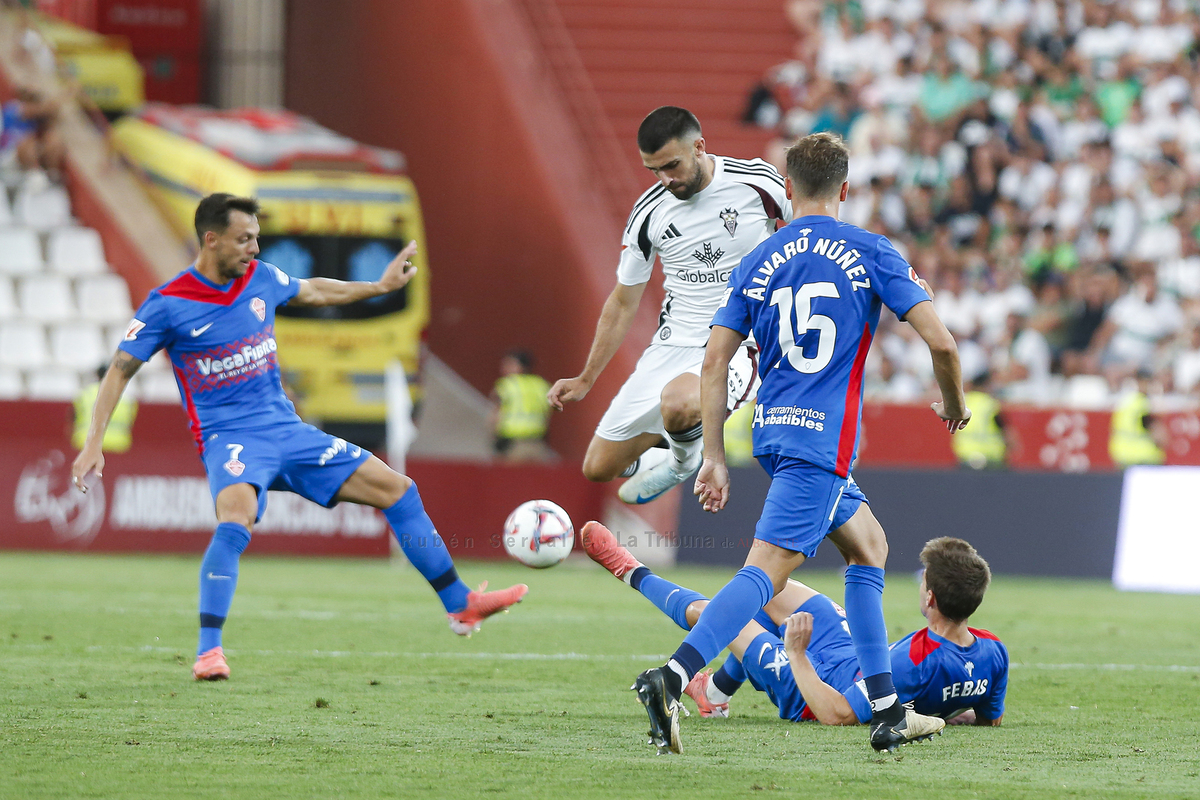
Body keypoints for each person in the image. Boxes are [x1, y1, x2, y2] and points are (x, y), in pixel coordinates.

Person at [71, 193, 528, 682]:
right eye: (244, 239)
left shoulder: (261, 278)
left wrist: (377, 286)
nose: (254, 247)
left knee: (399, 489)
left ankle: (460, 605)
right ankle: (209, 652)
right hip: (231, 439)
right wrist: (93, 442)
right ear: (212, 239)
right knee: (236, 520)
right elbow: (119, 371)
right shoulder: (169, 304)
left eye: (256, 238)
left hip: (289, 432)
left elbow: (316, 291)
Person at [632, 132, 971, 754]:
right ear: (845, 189)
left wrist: (712, 454)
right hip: (822, 444)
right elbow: (943, 343)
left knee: (870, 546)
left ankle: (890, 708)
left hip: (771, 431)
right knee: (765, 573)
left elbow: (715, 363)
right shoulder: (871, 250)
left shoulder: (758, 258)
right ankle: (673, 676)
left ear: (786, 189)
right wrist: (953, 404)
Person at [547, 106, 790, 505]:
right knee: (598, 468)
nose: (665, 179)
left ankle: (684, 461)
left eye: (672, 166)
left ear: (699, 146)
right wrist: (586, 377)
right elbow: (624, 301)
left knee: (679, 402)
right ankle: (679, 441)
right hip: (671, 346)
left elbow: (815, 230)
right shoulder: (648, 213)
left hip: (740, 344)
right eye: (654, 170)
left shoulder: (757, 182)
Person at [582, 523, 1006, 729]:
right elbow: (986, 718)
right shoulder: (993, 652)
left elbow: (836, 713)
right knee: (765, 586)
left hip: (812, 687)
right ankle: (713, 693)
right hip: (846, 652)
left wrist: (798, 654)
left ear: (929, 597)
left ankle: (631, 571)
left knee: (721, 617)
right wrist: (945, 714)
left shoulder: (911, 658)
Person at [491, 350, 553, 463]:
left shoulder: (507, 384)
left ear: (519, 366)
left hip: (512, 443)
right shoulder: (542, 384)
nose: (504, 368)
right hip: (537, 442)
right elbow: (547, 414)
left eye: (509, 364)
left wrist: (494, 439)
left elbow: (496, 414)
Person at [71, 363, 137, 453]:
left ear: (97, 375)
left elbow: (73, 418)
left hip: (87, 442)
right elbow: (130, 422)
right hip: (118, 444)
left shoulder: (86, 393)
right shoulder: (126, 396)